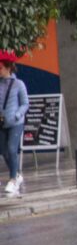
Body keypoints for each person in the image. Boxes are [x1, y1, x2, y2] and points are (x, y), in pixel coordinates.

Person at [0, 55, 29, 196]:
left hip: (16, 123)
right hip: (1, 122)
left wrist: (17, 115)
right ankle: (17, 173)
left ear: (7, 67)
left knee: (12, 149)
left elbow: (25, 103)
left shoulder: (19, 84)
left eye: (0, 68)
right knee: (4, 151)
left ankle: (12, 180)